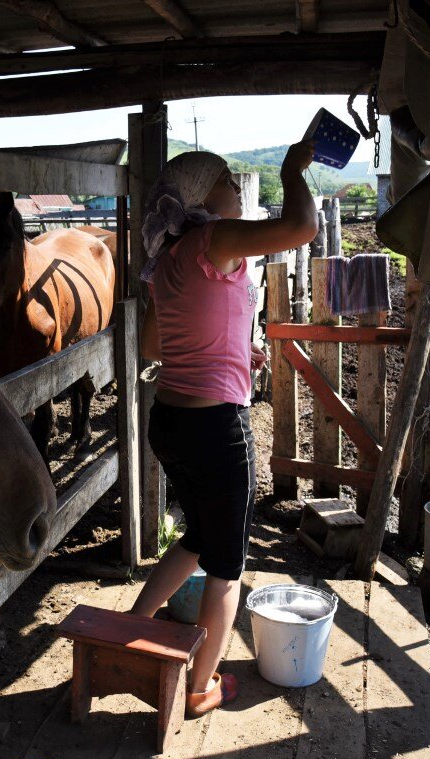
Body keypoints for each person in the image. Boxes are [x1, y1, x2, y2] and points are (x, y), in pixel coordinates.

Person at [130, 141, 318, 716]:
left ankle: (131, 627)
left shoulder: (169, 258)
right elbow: (303, 227)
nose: (237, 188)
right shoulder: (214, 238)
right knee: (228, 566)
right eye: (229, 182)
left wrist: (234, 351)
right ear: (204, 197)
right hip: (216, 427)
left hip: (172, 420)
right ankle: (200, 687)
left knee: (196, 538)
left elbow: (158, 344)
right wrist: (291, 171)